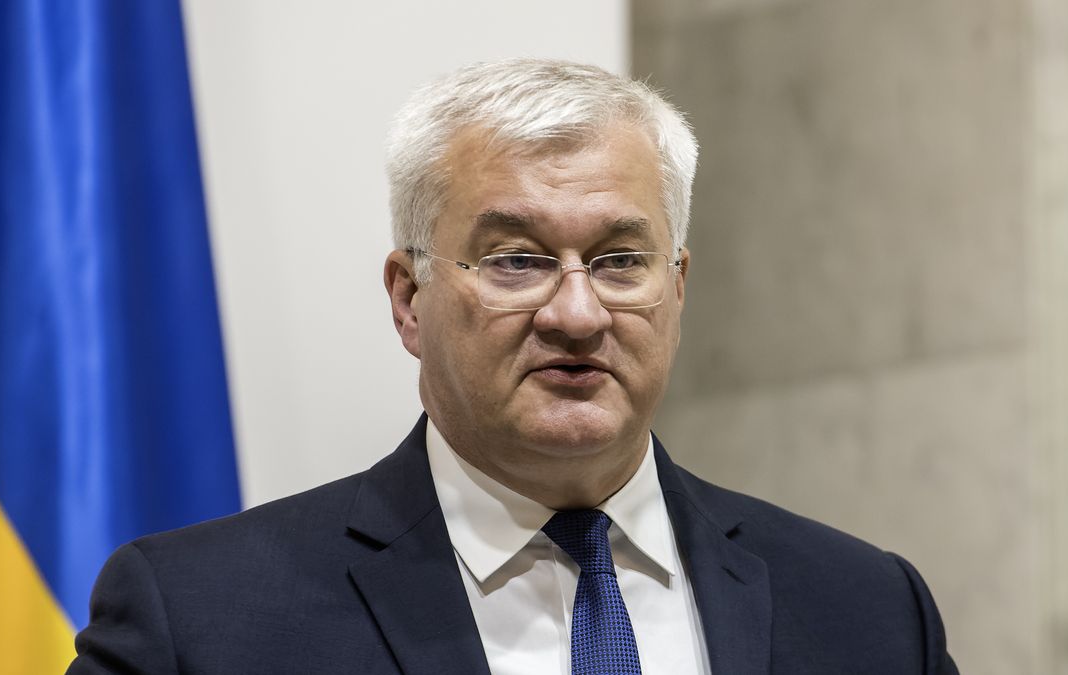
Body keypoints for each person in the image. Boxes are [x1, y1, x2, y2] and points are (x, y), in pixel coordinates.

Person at [68, 59, 959, 674]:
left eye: (619, 261)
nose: (576, 313)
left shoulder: (868, 610)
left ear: (677, 286)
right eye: (515, 261)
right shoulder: (201, 622)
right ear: (410, 298)